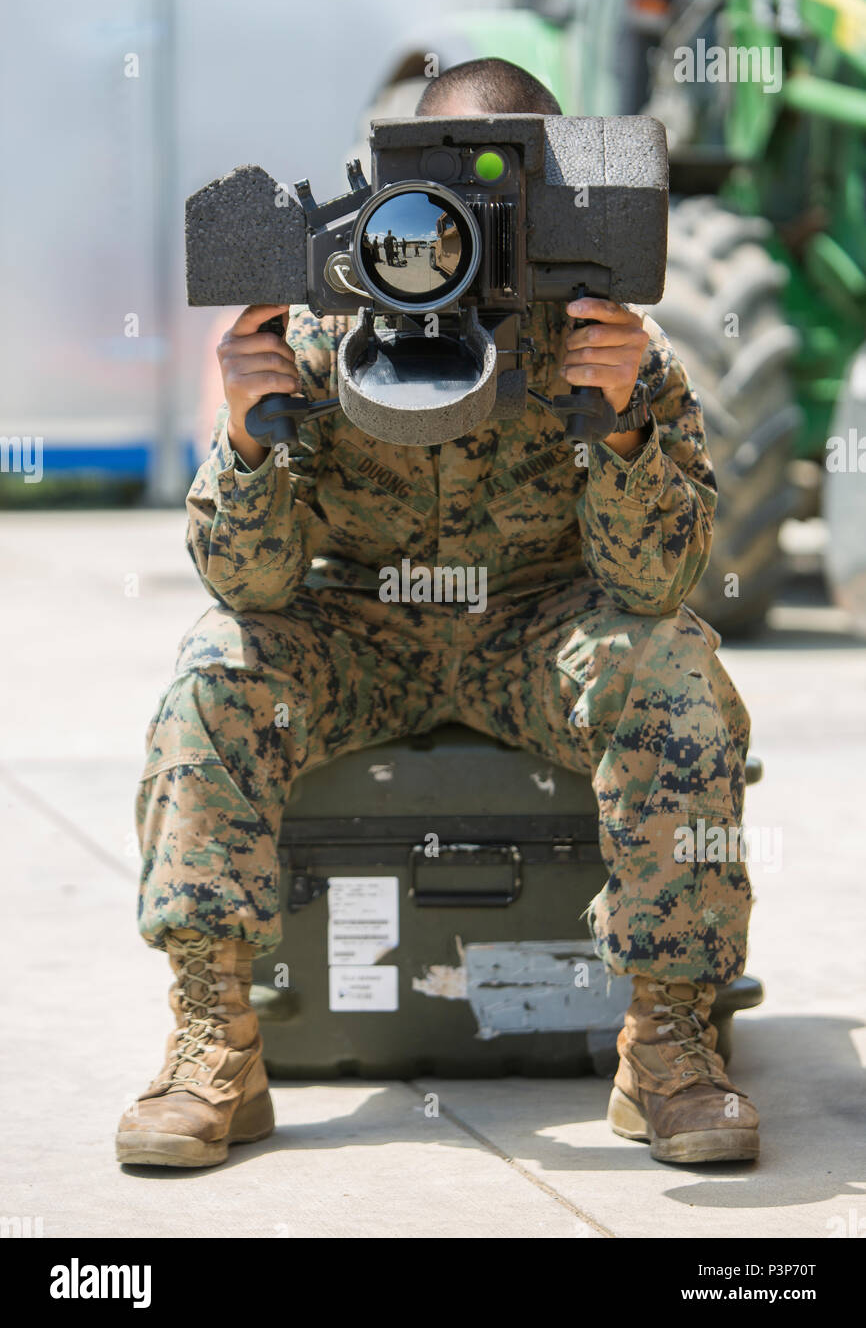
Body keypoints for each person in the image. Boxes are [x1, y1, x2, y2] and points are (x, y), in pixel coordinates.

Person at [117, 57, 758, 1171]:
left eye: (506, 186)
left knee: (678, 671)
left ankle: (667, 1048)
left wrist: (615, 427)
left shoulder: (606, 338)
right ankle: (213, 1045)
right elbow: (248, 585)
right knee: (214, 666)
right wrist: (248, 434)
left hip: (534, 628)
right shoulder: (321, 330)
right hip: (356, 630)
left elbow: (651, 584)